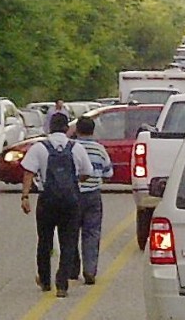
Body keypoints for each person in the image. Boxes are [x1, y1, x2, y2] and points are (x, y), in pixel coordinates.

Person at [20, 113, 93, 298]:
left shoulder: (39, 147)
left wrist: (25, 196)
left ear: (50, 127)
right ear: (67, 128)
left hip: (47, 200)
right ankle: (62, 284)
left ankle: (45, 280)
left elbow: (28, 172)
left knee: (44, 240)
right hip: (70, 200)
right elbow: (87, 172)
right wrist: (73, 181)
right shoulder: (76, 147)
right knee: (68, 241)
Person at [70, 117, 113, 285]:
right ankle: (90, 270)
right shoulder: (99, 149)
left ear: (77, 130)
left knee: (71, 232)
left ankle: (72, 269)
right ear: (93, 131)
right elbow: (108, 173)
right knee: (92, 233)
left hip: (73, 194)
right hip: (93, 195)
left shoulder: (71, 148)